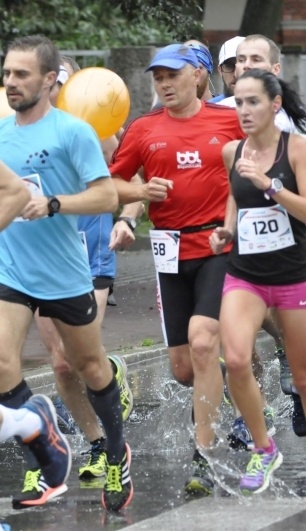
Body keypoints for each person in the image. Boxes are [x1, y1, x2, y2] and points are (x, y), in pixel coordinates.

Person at [0, 35, 132, 511]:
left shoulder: (71, 132)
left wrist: (55, 203)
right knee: (1, 364)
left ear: (50, 80)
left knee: (88, 367)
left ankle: (115, 451)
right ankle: (44, 452)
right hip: (11, 269)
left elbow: (105, 196)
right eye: (8, 73)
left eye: (22, 75)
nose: (11, 82)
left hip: (63, 272)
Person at [110, 43, 244, 495]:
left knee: (205, 343)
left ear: (198, 77)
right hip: (169, 250)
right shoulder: (144, 129)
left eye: (173, 75)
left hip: (218, 246)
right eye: (158, 77)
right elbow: (116, 181)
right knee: (184, 369)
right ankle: (216, 384)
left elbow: (264, 160)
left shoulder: (229, 120)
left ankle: (203, 456)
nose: (164, 84)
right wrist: (134, 207)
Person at [208, 68, 306, 503]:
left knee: (304, 377)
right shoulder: (233, 151)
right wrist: (226, 231)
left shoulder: (297, 149)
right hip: (245, 275)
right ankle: (264, 448)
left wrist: (271, 185)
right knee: (237, 360)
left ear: (274, 105)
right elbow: (235, 197)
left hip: (292, 279)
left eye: (252, 102)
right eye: (238, 101)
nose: (243, 110)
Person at [32, 57, 139, 484]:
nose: (53, 91)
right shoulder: (23, 134)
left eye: (59, 83)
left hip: (92, 258)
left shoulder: (100, 133)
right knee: (60, 363)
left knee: (80, 357)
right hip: (41, 260)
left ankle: (108, 378)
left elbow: (132, 182)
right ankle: (97, 443)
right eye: (49, 83)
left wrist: (128, 218)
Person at [215, 33, 306, 436]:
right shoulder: (223, 115)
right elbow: (234, 184)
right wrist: (227, 228)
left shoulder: (297, 131)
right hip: (240, 256)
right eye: (238, 60)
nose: (244, 66)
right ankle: (252, 422)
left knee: (302, 365)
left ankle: (304, 395)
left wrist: (272, 185)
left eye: (255, 58)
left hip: (289, 260)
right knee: (233, 350)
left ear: (275, 70)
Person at [210, 36, 244, 102]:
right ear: (220, 70)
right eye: (229, 66)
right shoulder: (211, 107)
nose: (235, 74)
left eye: (242, 66)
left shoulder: (267, 108)